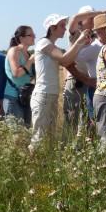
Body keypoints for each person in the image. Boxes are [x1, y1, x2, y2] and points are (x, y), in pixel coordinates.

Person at [30, 14, 92, 152]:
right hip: (43, 94)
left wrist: (81, 45)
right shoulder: (44, 43)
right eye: (62, 26)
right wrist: (79, 41)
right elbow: (65, 60)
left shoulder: (52, 45)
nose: (65, 29)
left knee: (50, 136)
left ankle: (44, 166)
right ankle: (33, 163)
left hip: (49, 94)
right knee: (40, 136)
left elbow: (68, 59)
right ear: (52, 28)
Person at [63, 6, 106, 132]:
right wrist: (101, 12)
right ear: (81, 21)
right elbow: (75, 18)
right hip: (76, 80)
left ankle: (82, 147)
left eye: (93, 17)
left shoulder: (94, 36)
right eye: (89, 17)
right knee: (72, 120)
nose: (92, 19)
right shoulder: (75, 34)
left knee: (86, 121)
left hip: (89, 82)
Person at [4, 25, 36, 127]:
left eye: (33, 35)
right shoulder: (14, 51)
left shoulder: (28, 53)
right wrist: (31, 60)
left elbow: (29, 76)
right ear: (21, 38)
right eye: (30, 35)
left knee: (26, 130)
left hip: (25, 96)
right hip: (13, 96)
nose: (34, 37)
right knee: (16, 132)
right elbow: (16, 73)